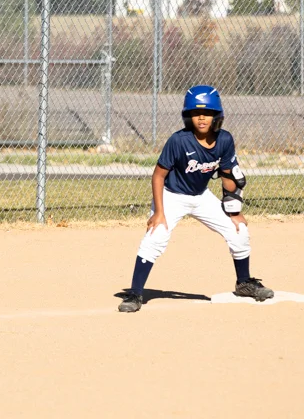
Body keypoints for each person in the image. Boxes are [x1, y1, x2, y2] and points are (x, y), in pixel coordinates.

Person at [117, 85, 272, 313]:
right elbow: (158, 176)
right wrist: (159, 213)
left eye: (208, 113)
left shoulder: (225, 140)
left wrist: (234, 210)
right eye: (196, 113)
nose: (201, 117)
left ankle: (245, 283)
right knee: (155, 237)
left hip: (201, 197)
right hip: (172, 196)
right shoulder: (179, 141)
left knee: (239, 231)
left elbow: (228, 175)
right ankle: (135, 294)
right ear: (188, 116)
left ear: (216, 116)